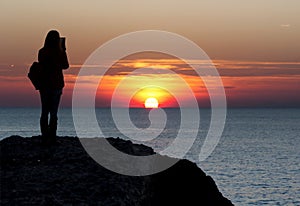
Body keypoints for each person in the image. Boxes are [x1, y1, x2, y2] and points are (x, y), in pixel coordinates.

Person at [38, 30, 69, 144]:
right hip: (56, 84)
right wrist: (63, 50)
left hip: (44, 84)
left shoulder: (42, 52)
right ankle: (52, 137)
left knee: (45, 111)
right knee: (54, 112)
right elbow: (66, 66)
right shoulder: (60, 52)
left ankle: (45, 136)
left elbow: (42, 65)